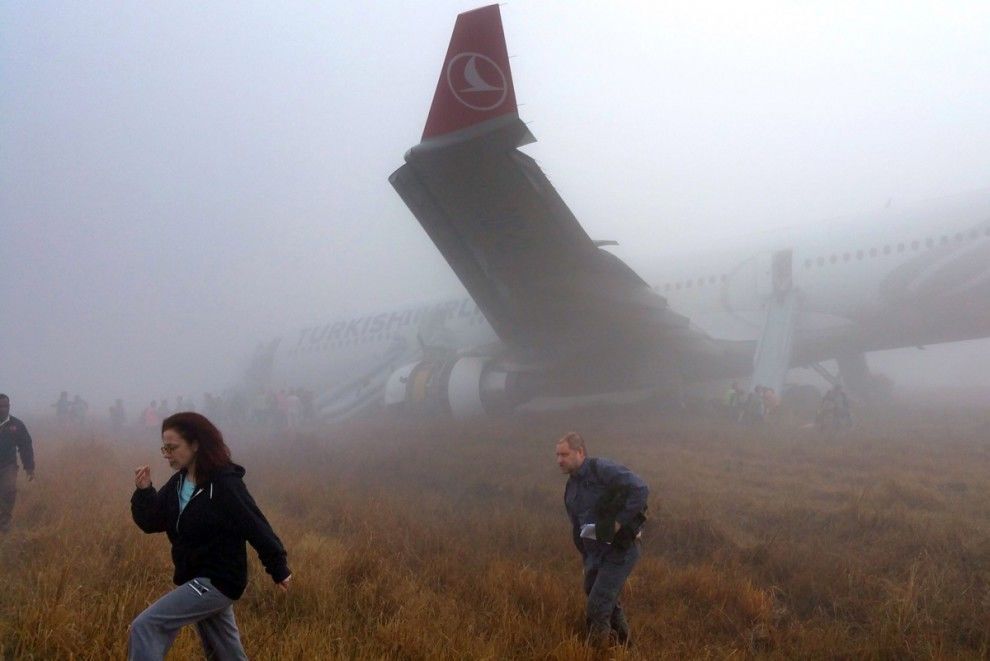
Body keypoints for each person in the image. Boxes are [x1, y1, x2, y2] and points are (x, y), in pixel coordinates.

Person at [129, 412, 292, 659]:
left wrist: (278, 567)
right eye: (165, 448)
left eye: (173, 447)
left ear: (195, 444)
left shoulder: (224, 483)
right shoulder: (179, 482)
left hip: (218, 581)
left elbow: (255, 524)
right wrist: (144, 492)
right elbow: (152, 521)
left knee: (146, 626)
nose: (168, 454)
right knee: (226, 655)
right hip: (194, 579)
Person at [556, 432, 648, 648]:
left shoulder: (602, 469)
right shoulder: (571, 488)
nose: (559, 460)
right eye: (557, 455)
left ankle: (597, 653)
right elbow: (578, 527)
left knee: (597, 606)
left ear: (580, 452)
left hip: (620, 550)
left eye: (565, 454)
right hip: (595, 555)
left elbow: (641, 489)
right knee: (601, 598)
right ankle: (627, 649)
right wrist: (586, 559)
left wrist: (619, 521)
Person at [0, 394, 35, 534]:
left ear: (9, 406)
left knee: (8, 491)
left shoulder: (17, 425)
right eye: (0, 406)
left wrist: (29, 468)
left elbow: (25, 446)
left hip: (8, 465)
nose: (3, 409)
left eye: (5, 406)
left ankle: (4, 523)